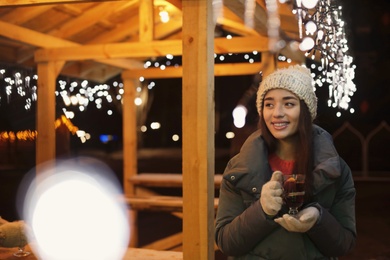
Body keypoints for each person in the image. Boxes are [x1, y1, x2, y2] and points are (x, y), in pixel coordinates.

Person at [215, 65, 356, 259]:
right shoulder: (239, 167)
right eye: (269, 104)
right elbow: (226, 243)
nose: (277, 113)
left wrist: (318, 219)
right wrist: (262, 210)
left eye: (288, 104)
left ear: (305, 110)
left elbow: (344, 244)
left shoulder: (335, 169)